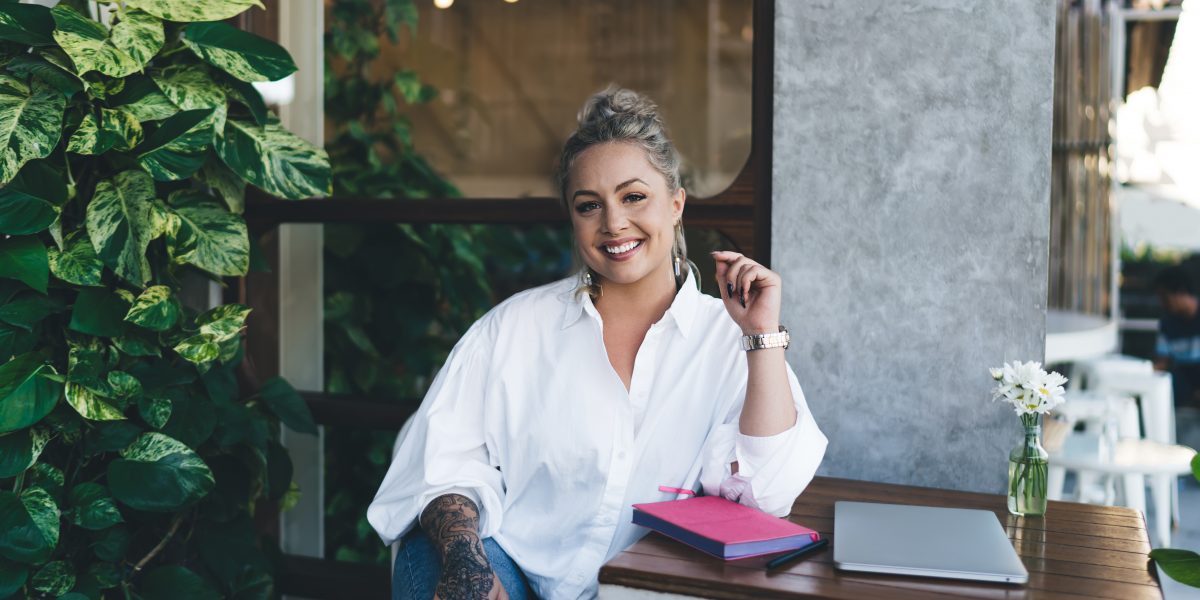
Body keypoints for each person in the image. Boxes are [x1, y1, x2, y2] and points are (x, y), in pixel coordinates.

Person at [367, 87, 827, 600]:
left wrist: (762, 336)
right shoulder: (514, 327)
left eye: (634, 197)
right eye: (590, 205)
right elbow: (441, 460)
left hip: (643, 588)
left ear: (676, 204)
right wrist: (469, 564)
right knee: (433, 563)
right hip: (512, 572)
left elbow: (768, 492)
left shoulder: (724, 339)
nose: (613, 224)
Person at [1153, 266, 1200, 406]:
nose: (1162, 303)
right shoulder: (1168, 324)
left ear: (1181, 292)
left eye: (1165, 297)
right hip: (1184, 388)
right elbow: (1162, 362)